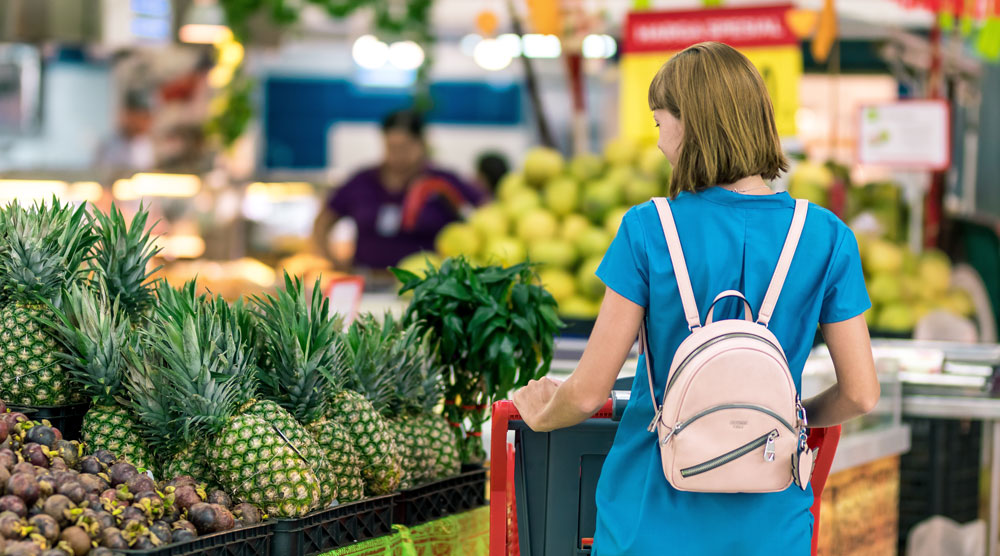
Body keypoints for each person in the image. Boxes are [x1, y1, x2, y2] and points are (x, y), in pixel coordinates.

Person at [511, 42, 880, 555]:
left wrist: (540, 412)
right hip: (771, 523)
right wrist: (782, 418)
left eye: (660, 123)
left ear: (692, 126)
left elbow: (586, 390)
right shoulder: (826, 236)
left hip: (650, 515)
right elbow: (861, 394)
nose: (659, 142)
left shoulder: (648, 229)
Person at [313, 110, 486, 270]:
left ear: (422, 144)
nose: (397, 155)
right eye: (391, 147)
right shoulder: (362, 181)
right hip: (368, 282)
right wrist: (335, 263)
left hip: (428, 287)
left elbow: (485, 212)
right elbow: (322, 223)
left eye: (404, 147)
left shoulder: (443, 182)